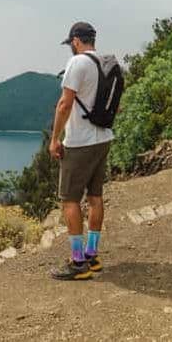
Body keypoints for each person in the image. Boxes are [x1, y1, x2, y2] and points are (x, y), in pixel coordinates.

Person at [49, 21, 115, 281]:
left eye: (71, 44)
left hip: (80, 143)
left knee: (70, 199)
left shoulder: (78, 63)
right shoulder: (109, 63)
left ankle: (78, 264)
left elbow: (65, 104)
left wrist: (55, 139)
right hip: (103, 138)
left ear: (76, 40)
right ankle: (92, 256)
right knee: (95, 196)